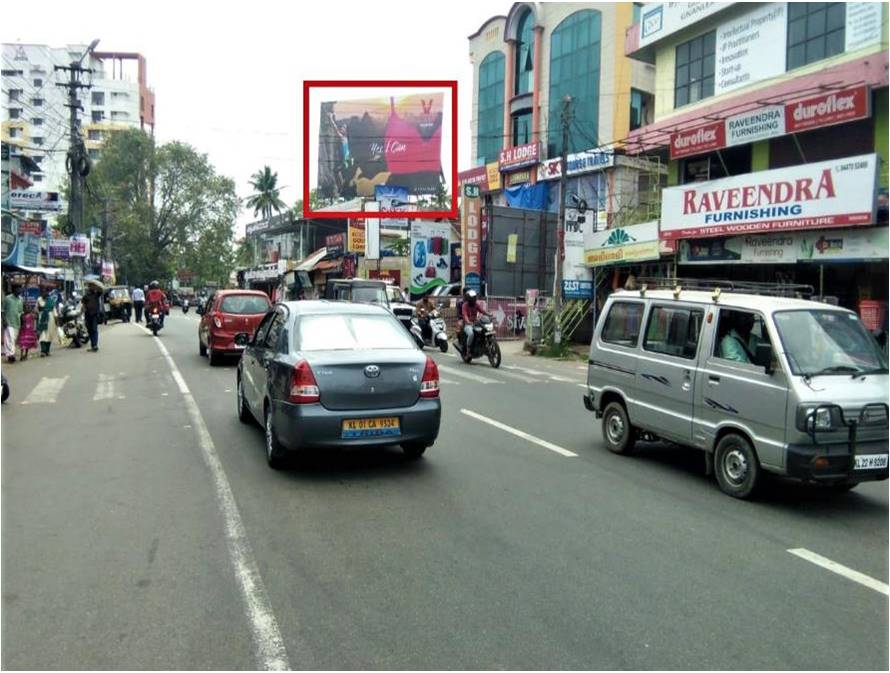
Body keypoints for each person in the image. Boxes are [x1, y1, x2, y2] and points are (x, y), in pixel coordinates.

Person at [459, 289, 490, 353]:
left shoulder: (476, 304)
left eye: (474, 297)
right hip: (467, 324)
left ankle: (483, 345)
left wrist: (489, 314)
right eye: (472, 297)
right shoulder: (465, 305)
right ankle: (468, 349)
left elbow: (482, 311)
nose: (474, 299)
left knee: (485, 330)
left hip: (475, 323)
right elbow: (465, 315)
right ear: (469, 298)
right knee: (471, 334)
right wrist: (468, 321)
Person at [2, 285, 24, 363]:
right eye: (18, 289)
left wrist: (22, 322)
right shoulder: (7, 298)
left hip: (17, 322)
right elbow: (2, 310)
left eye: (20, 289)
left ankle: (10, 354)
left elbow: (21, 312)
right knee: (9, 338)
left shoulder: (21, 299)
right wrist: (4, 321)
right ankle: (10, 355)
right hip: (8, 321)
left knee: (14, 339)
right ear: (14, 290)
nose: (20, 290)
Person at [82, 284, 104, 352]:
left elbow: (101, 290)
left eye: (92, 286)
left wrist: (97, 286)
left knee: (94, 330)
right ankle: (93, 345)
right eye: (90, 286)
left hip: (94, 315)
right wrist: (82, 311)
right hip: (88, 315)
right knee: (90, 330)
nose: (90, 288)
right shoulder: (86, 296)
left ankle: (95, 345)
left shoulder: (96, 294)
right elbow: (83, 304)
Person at [37, 286, 58, 357]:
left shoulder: (51, 300)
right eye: (42, 292)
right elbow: (36, 309)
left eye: (45, 292)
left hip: (51, 319)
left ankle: (47, 350)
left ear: (47, 293)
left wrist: (56, 321)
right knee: (42, 334)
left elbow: (54, 311)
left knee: (49, 335)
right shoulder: (39, 299)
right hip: (42, 318)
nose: (44, 293)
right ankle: (43, 351)